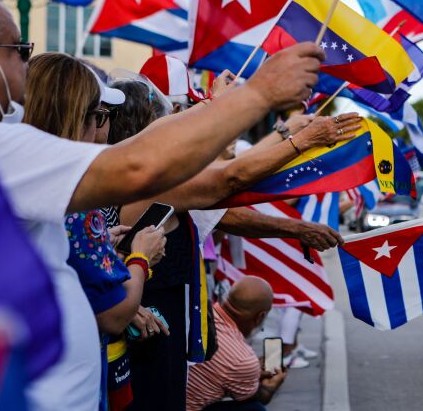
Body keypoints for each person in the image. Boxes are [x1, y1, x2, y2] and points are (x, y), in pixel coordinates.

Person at [0, 0, 322, 411]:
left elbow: (138, 150)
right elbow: (140, 166)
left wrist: (215, 109)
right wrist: (260, 94)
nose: (27, 67)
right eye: (20, 50)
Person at [106, 77, 348, 411]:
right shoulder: (144, 182)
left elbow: (224, 176)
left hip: (160, 326)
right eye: (165, 117)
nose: (174, 125)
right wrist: (301, 140)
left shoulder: (131, 174)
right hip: (151, 332)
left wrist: (218, 104)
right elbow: (228, 178)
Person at [24, 53, 169, 410]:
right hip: (70, 385)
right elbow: (115, 312)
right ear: (80, 118)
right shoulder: (76, 195)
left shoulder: (20, 168)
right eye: (101, 117)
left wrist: (102, 244)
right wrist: (140, 257)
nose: (104, 130)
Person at [187, 277, 286, 411]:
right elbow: (260, 397)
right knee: (255, 409)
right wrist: (270, 387)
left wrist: (252, 373)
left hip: (162, 399)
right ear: (260, 317)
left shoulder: (200, 312)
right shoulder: (242, 359)